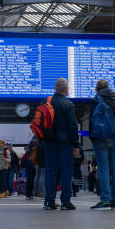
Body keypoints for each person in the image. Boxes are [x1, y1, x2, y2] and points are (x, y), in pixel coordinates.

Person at [43, 78, 79, 211]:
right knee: (66, 172)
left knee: (50, 171)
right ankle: (65, 202)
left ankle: (49, 201)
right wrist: (76, 144)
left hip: (49, 142)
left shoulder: (46, 102)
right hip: (65, 143)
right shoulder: (68, 104)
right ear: (65, 89)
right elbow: (73, 126)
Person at [89, 79, 115, 210]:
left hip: (100, 139)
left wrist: (92, 136)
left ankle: (105, 200)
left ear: (97, 89)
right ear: (108, 87)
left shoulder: (95, 100)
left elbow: (92, 121)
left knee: (103, 168)